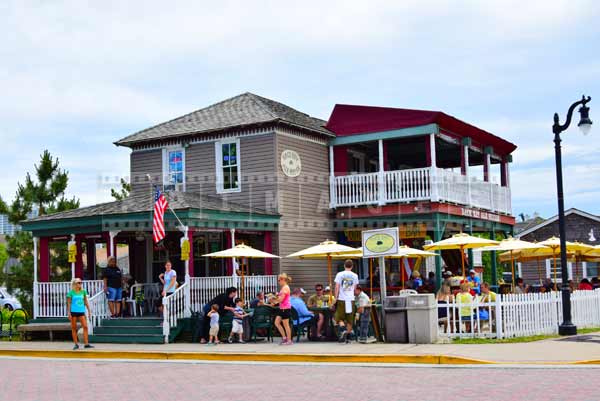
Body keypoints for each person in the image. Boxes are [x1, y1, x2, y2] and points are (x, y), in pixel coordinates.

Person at [334, 259, 359, 343]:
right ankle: (348, 337)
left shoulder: (340, 274)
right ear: (352, 266)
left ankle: (343, 329)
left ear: (344, 265)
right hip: (351, 299)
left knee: (338, 317)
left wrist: (335, 298)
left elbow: (337, 287)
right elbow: (355, 289)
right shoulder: (355, 275)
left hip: (342, 299)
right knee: (350, 319)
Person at [66, 278, 94, 350]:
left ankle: (86, 344)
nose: (80, 284)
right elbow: (68, 303)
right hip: (73, 312)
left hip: (81, 311)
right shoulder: (71, 293)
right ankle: (76, 344)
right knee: (74, 328)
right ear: (75, 284)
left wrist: (89, 310)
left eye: (81, 282)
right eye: (78, 282)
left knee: (85, 326)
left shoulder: (83, 292)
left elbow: (85, 301)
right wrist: (69, 313)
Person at [272, 273, 293, 345]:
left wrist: (274, 300)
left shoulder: (285, 288)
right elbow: (280, 299)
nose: (278, 282)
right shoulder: (284, 287)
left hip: (285, 308)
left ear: (283, 279)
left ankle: (289, 340)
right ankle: (284, 338)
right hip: (282, 308)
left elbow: (281, 299)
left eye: (279, 280)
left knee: (286, 325)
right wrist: (275, 299)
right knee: (276, 323)